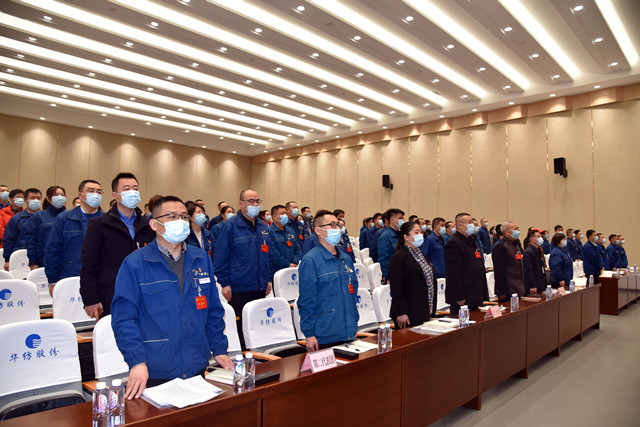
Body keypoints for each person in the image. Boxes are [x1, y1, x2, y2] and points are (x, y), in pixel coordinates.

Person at [111, 196, 232, 399]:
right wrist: (136, 361)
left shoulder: (201, 258)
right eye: (172, 216)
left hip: (196, 364)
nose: (180, 221)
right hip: (155, 369)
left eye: (184, 217)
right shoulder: (135, 264)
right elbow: (124, 319)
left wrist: (219, 348)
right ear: (154, 224)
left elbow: (213, 309)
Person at [80, 172, 155, 320]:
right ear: (115, 195)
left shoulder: (148, 225)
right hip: (112, 293)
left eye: (135, 188)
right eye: (126, 189)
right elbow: (88, 265)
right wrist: (91, 299)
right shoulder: (99, 225)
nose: (132, 192)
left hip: (145, 293)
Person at [213, 188, 272, 346]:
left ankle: (257, 353)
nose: (255, 204)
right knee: (241, 326)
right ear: (241, 203)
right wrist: (224, 283)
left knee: (257, 324)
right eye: (251, 201)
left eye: (257, 201)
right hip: (239, 287)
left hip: (259, 286)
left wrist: (268, 279)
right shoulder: (230, 226)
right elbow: (220, 257)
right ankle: (244, 354)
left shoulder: (263, 227)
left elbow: (268, 255)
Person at [298, 210, 359, 350]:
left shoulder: (346, 259)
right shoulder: (311, 260)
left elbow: (352, 296)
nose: (337, 229)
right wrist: (309, 334)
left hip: (347, 330)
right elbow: (307, 300)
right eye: (332, 225)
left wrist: (354, 323)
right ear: (318, 231)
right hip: (324, 333)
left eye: (338, 225)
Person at [44, 179, 104, 296]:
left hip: (99, 279)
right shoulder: (64, 219)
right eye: (91, 191)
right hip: (69, 276)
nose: (95, 195)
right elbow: (52, 250)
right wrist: (52, 281)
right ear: (80, 195)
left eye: (99, 192)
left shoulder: (107, 220)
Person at [389, 221, 436, 328]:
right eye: (416, 232)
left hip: (424, 308)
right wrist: (401, 312)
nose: (420, 235)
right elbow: (396, 288)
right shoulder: (398, 258)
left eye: (420, 232)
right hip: (408, 312)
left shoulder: (420, 254)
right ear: (406, 237)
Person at [444, 212, 488, 315]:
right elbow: (453, 272)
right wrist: (459, 295)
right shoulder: (454, 243)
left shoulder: (471, 241)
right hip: (463, 296)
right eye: (469, 222)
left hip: (474, 292)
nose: (472, 225)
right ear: (460, 225)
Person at [25, 185, 66, 270]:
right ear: (48, 198)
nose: (60, 197)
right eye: (56, 195)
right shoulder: (38, 216)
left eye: (62, 195)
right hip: (44, 260)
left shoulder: (69, 216)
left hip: (66, 261)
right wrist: (33, 262)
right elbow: (31, 241)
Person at [3, 188, 42, 270]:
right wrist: (8, 259)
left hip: (41, 256)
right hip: (21, 256)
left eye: (38, 198)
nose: (36, 200)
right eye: (32, 198)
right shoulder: (16, 219)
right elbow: (9, 240)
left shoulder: (46, 218)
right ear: (25, 200)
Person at [493, 221, 526, 300]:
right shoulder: (501, 246)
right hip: (508, 289)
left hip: (519, 286)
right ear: (506, 232)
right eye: (515, 229)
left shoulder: (515, 244)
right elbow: (499, 270)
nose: (517, 231)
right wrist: (501, 291)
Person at [268, 204, 301, 275]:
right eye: (282, 213)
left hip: (292, 268)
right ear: (274, 217)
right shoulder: (269, 232)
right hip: (277, 271)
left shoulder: (290, 231)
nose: (285, 216)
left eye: (286, 213)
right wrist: (287, 265)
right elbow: (273, 253)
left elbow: (297, 248)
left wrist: (294, 262)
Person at [378, 208, 405, 282]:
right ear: (392, 220)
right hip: (394, 275)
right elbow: (383, 259)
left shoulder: (400, 234)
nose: (402, 221)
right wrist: (388, 278)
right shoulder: (385, 236)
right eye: (400, 218)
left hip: (402, 272)